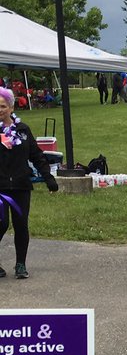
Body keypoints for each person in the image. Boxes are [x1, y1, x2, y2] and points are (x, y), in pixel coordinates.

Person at [0, 87, 59, 279]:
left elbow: (36, 155)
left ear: (10, 107)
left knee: (21, 225)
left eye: (3, 106)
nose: (0, 110)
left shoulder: (22, 129)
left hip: (20, 185)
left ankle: (20, 264)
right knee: (1, 224)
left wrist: (48, 177)